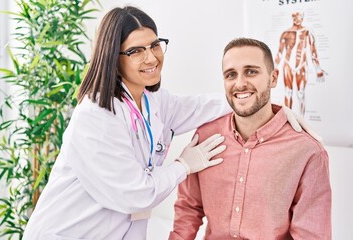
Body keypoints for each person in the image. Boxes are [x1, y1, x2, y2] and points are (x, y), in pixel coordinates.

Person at [22, 6, 317, 240]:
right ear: (114, 58)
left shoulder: (153, 102)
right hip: (66, 233)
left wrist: (273, 104)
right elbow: (135, 195)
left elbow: (204, 105)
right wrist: (183, 166)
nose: (151, 57)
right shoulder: (96, 116)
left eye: (154, 45)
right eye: (136, 51)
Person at [169, 38, 331, 240]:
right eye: (231, 74)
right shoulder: (205, 137)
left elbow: (311, 235)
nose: (240, 83)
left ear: (273, 78)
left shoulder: (307, 151)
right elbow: (188, 208)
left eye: (251, 72)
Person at [275, 11, 326, 116]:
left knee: (301, 93)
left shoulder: (307, 32)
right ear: (292, 17)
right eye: (295, 16)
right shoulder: (286, 33)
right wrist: (273, 69)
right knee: (288, 93)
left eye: (300, 16)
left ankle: (302, 121)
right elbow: (280, 53)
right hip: (287, 65)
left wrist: (318, 69)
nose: (297, 19)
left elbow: (313, 51)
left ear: (302, 17)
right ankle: (287, 121)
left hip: (301, 66)